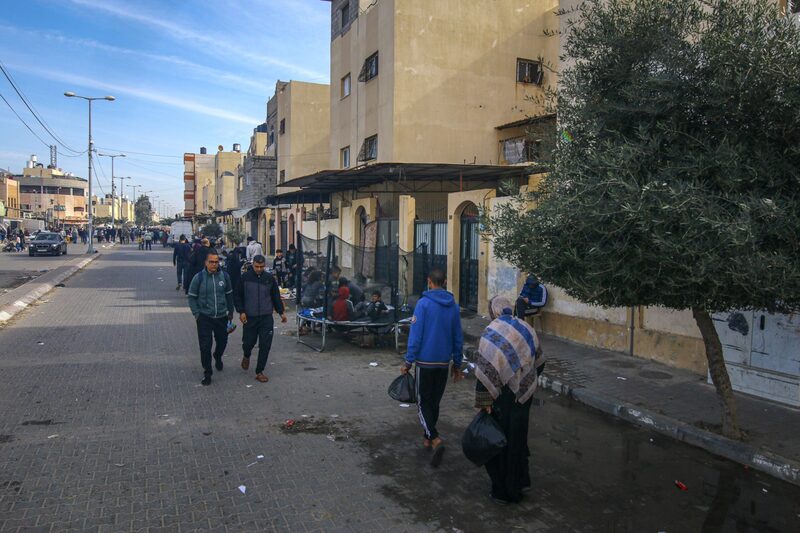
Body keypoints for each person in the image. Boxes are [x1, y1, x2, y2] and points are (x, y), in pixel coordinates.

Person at [474, 296, 546, 504]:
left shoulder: (491, 332)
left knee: (500, 443)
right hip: (523, 398)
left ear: (492, 311)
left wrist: (484, 403)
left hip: (502, 399)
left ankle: (502, 490)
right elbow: (540, 361)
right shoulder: (526, 328)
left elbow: (485, 371)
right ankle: (518, 483)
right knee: (518, 441)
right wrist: (525, 380)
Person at [400, 267, 464, 467]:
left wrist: (408, 361)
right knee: (434, 402)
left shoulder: (423, 304)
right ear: (444, 282)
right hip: (443, 362)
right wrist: (458, 364)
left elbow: (416, 336)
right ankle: (427, 437)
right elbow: (457, 337)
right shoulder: (453, 306)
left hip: (425, 362)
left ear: (429, 281)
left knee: (421, 402)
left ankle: (435, 437)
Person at [234, 254, 287, 383]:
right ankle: (246, 355)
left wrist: (281, 312)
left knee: (265, 344)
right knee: (248, 343)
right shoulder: (245, 278)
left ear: (264, 266)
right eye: (256, 266)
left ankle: (259, 371)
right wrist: (241, 311)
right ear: (252, 265)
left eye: (261, 267)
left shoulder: (269, 279)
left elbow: (275, 296)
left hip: (266, 318)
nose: (259, 269)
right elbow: (237, 296)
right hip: (250, 318)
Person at [187, 251, 234, 386]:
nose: (214, 264)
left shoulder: (224, 276)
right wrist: (197, 314)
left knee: (222, 342)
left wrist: (230, 311)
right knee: (205, 347)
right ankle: (207, 372)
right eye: (211, 262)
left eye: (216, 262)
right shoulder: (199, 278)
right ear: (206, 263)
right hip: (204, 318)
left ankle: (218, 356)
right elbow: (191, 297)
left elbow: (229, 294)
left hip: (221, 317)